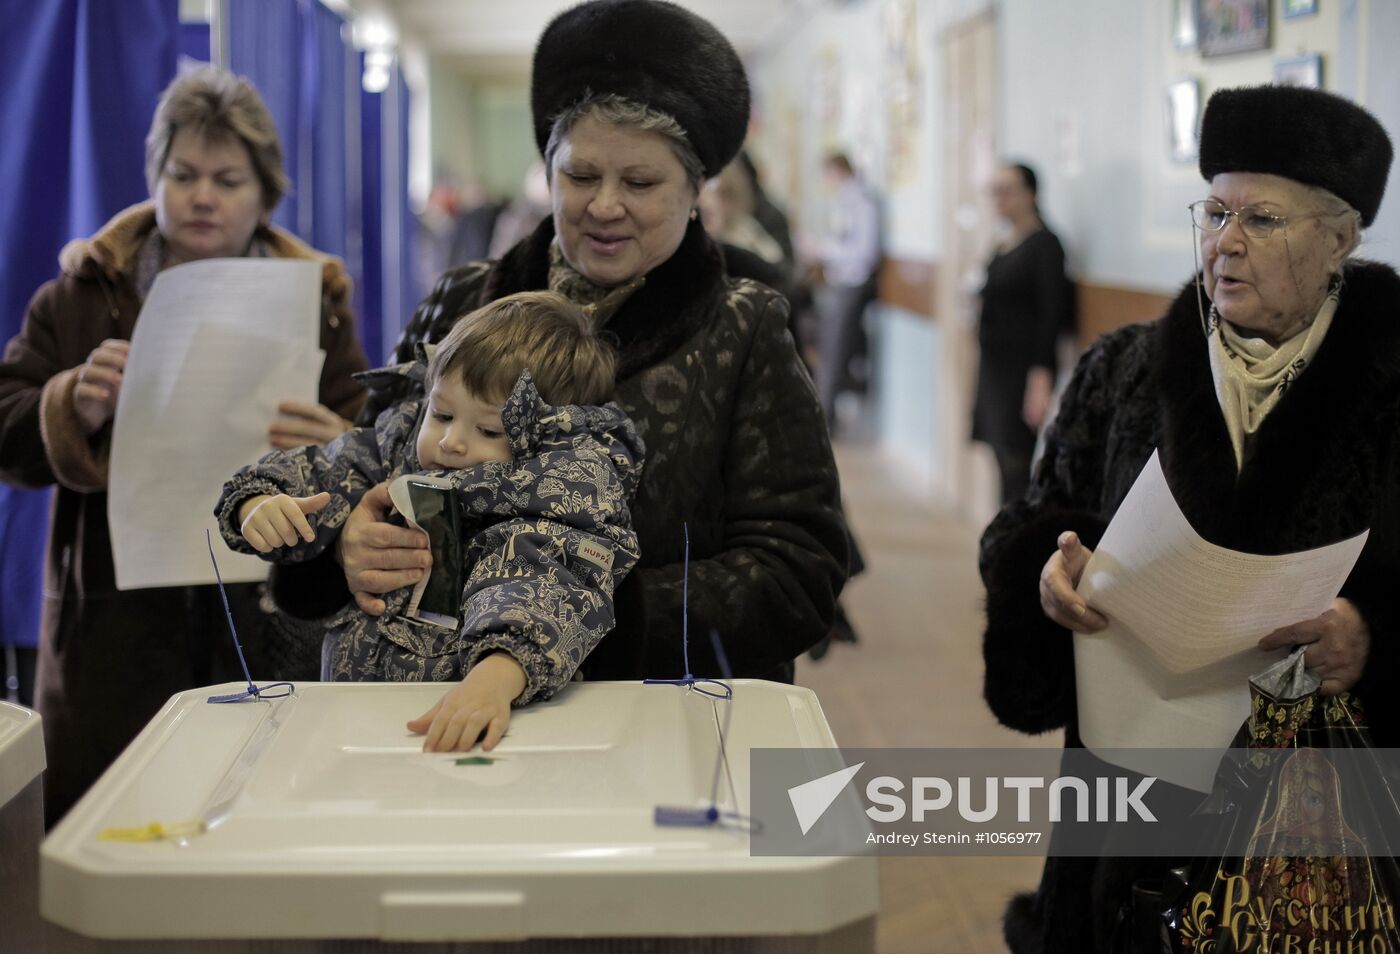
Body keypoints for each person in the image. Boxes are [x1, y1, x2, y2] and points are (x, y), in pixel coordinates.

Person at [270, 0, 849, 686]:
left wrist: (565, 618)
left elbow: (797, 572)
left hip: (654, 712)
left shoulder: (743, 328)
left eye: (640, 183)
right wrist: (345, 549)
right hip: (432, 709)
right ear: (548, 173)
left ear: (696, 189)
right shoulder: (462, 300)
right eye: (580, 176)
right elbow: (369, 468)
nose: (605, 205)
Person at [979, 85, 1396, 952]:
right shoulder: (1123, 368)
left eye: (1262, 219)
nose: (1225, 242)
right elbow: (1027, 522)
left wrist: (1372, 636)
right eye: (1214, 212)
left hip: (1314, 820)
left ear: (1341, 240)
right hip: (1128, 795)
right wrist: (1047, 575)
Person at [0, 67, 369, 825]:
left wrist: (340, 444)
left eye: (228, 180)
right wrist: (71, 402)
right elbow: (6, 433)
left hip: (269, 615)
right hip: (113, 622)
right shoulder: (79, 296)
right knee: (112, 828)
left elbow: (379, 445)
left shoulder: (319, 304)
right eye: (184, 174)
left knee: (259, 824)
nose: (203, 196)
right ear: (155, 180)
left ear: (265, 195)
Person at [217, 291, 642, 753]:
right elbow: (321, 467)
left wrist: (497, 676)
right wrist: (258, 501)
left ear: (549, 438)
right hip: (354, 725)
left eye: (489, 430)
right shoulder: (397, 444)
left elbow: (543, 584)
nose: (451, 442)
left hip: (475, 728)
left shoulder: (555, 494)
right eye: (442, 414)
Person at [971, 162, 1075, 504]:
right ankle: (1003, 529)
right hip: (994, 369)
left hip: (1022, 372)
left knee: (1017, 463)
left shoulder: (1045, 245)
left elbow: (1052, 314)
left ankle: (1016, 532)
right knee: (1000, 457)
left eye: (1007, 190)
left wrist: (1040, 376)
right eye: (994, 191)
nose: (999, 198)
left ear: (1030, 194)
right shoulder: (1002, 243)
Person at [811, 152, 881, 426]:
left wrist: (824, 250)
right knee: (830, 346)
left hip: (853, 282)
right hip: (839, 281)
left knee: (836, 349)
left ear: (838, 171)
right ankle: (825, 410)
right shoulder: (844, 201)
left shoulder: (863, 202)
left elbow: (864, 252)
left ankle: (825, 416)